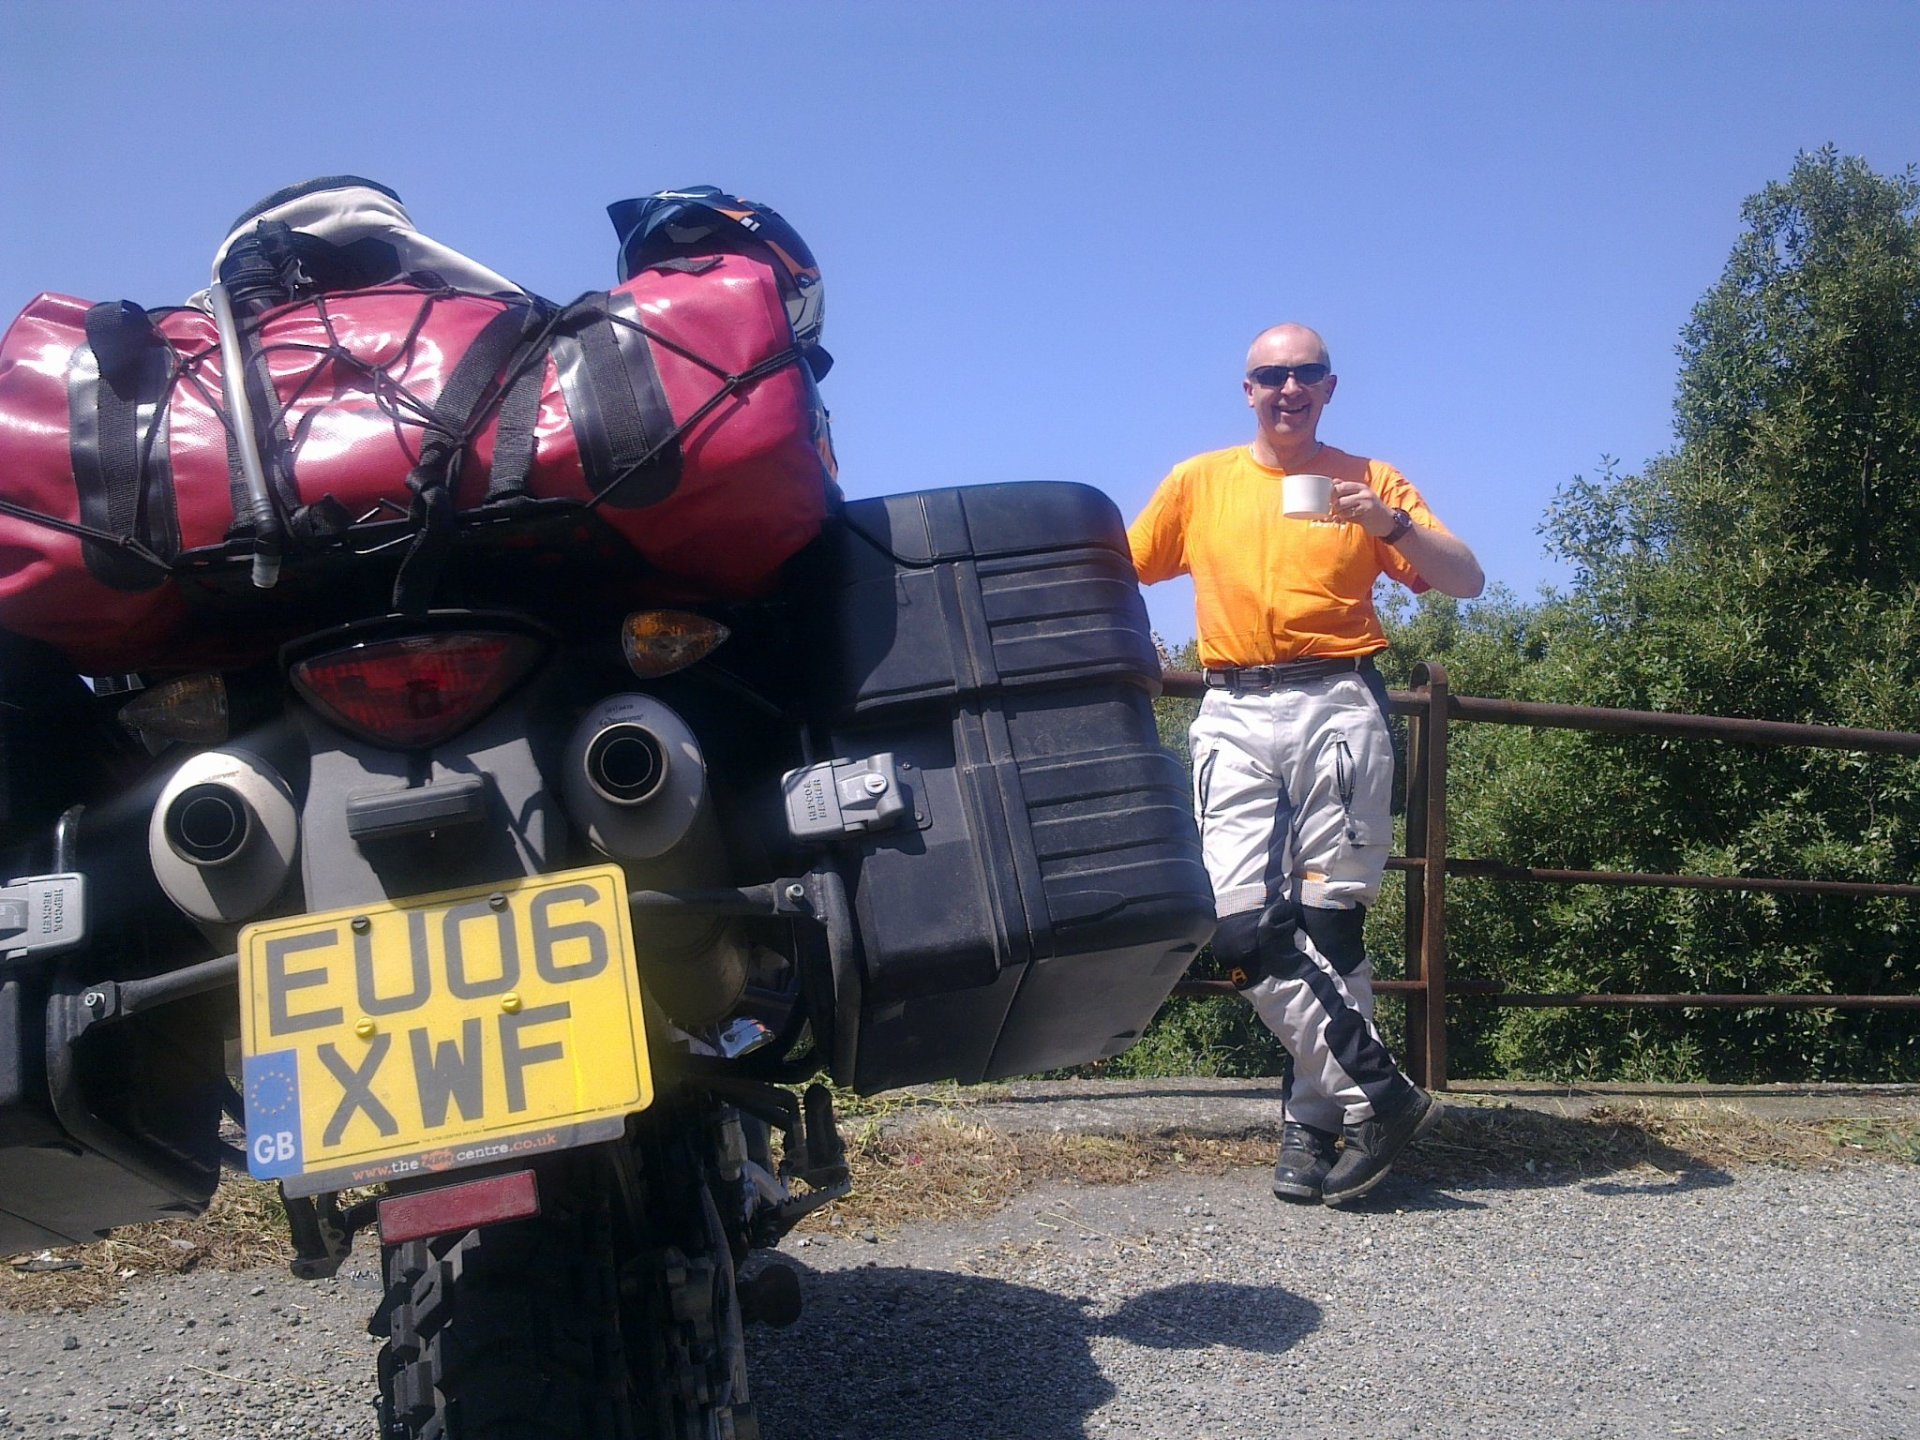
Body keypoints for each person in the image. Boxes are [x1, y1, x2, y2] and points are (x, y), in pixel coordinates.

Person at [1128, 323, 1485, 1206]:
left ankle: (1312, 1121)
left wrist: (1388, 521)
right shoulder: (1198, 481)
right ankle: (1383, 1093)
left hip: (1337, 703)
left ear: (1330, 387)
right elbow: (1122, 568)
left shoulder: (1372, 481)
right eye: (1270, 375)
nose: (1288, 387)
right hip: (1233, 706)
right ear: (1246, 390)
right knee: (1237, 922)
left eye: (1305, 374)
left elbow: (1467, 578)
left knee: (1330, 927)